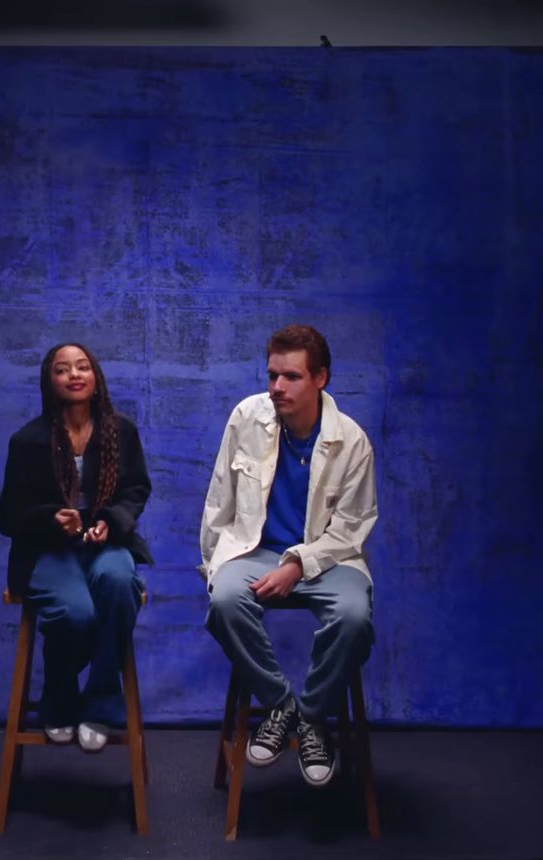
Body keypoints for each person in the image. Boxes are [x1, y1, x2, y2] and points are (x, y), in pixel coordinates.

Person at [200, 324, 378, 786]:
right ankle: (281, 707)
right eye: (272, 375)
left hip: (329, 561)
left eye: (291, 377)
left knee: (355, 617)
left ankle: (314, 716)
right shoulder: (247, 417)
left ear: (321, 378)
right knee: (224, 601)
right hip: (255, 551)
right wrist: (216, 566)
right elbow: (219, 499)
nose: (277, 387)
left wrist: (297, 566)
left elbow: (352, 528)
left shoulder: (352, 440)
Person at [0, 342, 152, 752]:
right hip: (48, 551)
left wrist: (108, 521)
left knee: (120, 584)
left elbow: (136, 490)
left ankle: (101, 703)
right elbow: (8, 517)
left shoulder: (120, 431)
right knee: (76, 613)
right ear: (50, 381)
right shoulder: (28, 440)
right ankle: (60, 697)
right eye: (63, 370)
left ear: (95, 376)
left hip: (105, 544)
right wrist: (51, 518)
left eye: (83, 367)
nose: (75, 375)